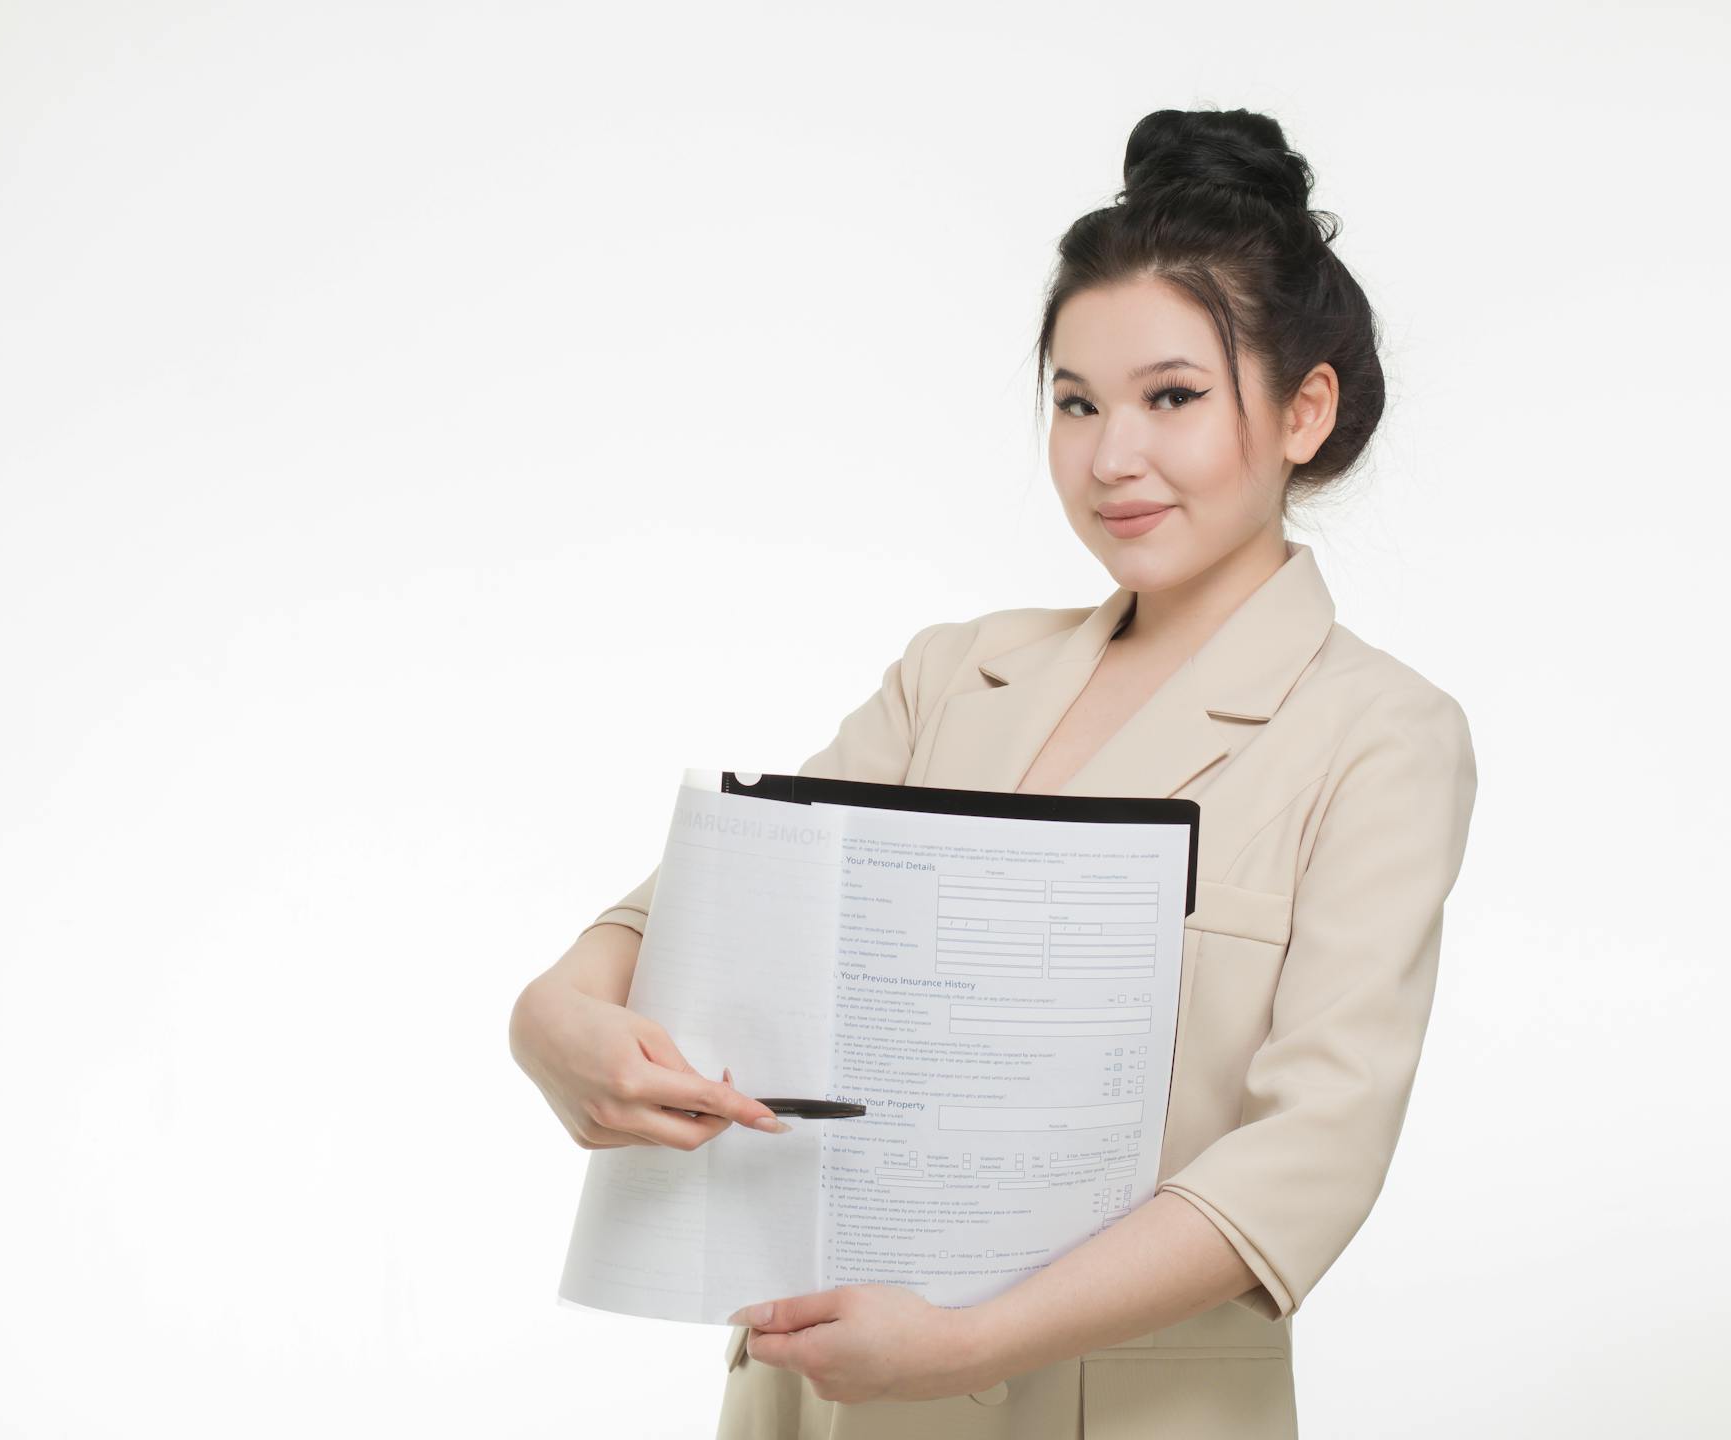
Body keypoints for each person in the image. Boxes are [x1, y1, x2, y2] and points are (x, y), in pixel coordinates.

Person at [509, 106, 1479, 1439]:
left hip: (1114, 1412)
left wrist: (969, 1339)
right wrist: (554, 1011)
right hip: (823, 1399)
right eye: (1075, 403)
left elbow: (1311, 1158)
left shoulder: (1377, 734)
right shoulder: (953, 676)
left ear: (1305, 407)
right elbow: (702, 909)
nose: (1110, 457)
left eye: (1173, 398)